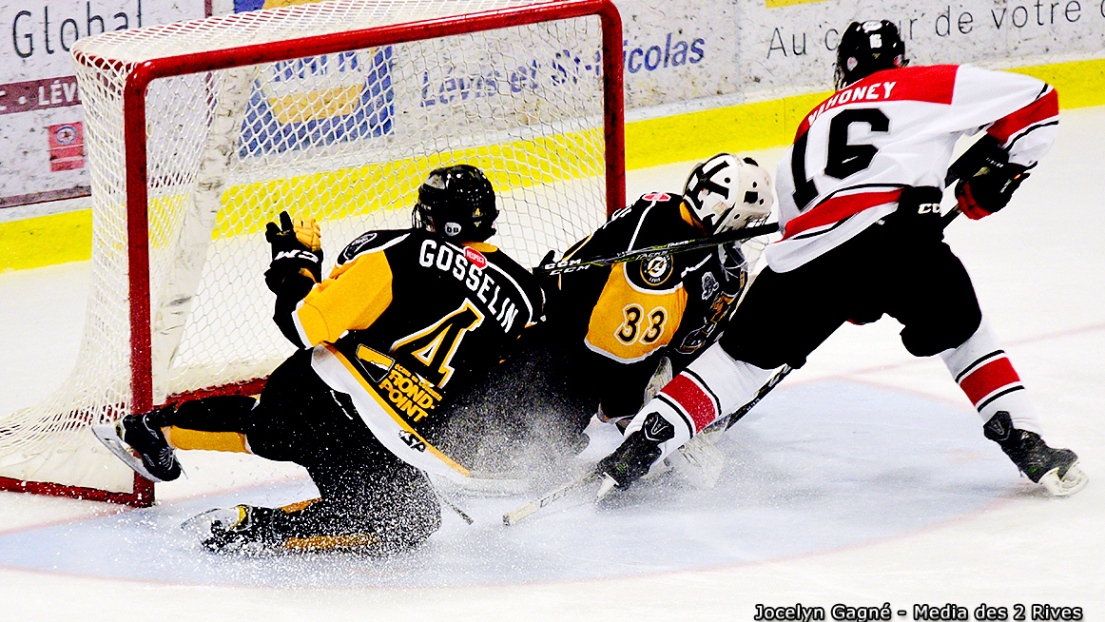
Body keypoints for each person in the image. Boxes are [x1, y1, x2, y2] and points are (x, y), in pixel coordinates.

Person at [594, 20, 1087, 498]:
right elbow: (1038, 100)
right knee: (964, 337)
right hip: (901, 240)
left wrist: (844, 288)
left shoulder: (812, 123)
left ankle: (639, 447)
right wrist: (999, 174)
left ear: (844, 70)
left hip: (807, 260)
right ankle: (1025, 441)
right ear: (898, 61)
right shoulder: (924, 82)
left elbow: (797, 221)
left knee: (738, 362)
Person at [95, 164, 545, 554]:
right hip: (381, 420)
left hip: (332, 398)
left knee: (400, 511)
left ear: (429, 214)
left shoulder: (395, 252)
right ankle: (243, 516)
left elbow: (302, 325)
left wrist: (297, 265)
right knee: (394, 514)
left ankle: (157, 438)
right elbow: (501, 371)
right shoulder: (526, 298)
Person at [541, 153, 775, 436]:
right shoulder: (661, 252)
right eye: (747, 220)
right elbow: (617, 347)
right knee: (551, 435)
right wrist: (635, 408)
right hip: (566, 346)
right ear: (726, 210)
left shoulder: (679, 220)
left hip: (582, 326)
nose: (747, 229)